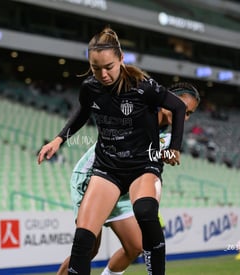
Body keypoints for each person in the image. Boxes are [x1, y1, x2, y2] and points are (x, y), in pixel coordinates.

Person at [37, 27, 186, 274]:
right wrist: (58, 139)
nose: (103, 74)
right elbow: (83, 113)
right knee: (84, 241)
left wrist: (174, 148)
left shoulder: (142, 86)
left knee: (145, 211)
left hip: (142, 166)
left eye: (109, 67)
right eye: (96, 68)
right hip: (107, 168)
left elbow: (179, 107)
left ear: (121, 59)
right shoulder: (90, 87)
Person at [57, 82, 200, 275]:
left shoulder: (168, 135)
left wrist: (165, 156)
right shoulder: (139, 110)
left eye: (189, 113)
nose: (184, 115)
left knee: (135, 246)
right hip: (95, 176)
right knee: (89, 249)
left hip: (124, 186)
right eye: (181, 107)